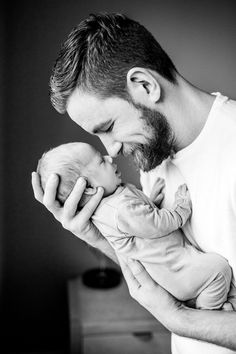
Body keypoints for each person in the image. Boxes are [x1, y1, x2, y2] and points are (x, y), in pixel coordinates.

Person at [31, 13, 236, 353]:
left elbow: (178, 310)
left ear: (145, 85)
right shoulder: (152, 158)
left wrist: (180, 321)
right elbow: (159, 260)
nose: (110, 150)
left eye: (107, 126)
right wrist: (96, 236)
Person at [37, 141, 233, 310]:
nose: (110, 157)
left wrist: (150, 200)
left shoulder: (114, 201)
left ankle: (211, 300)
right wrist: (181, 207)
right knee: (218, 269)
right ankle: (209, 310)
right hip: (176, 272)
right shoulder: (119, 210)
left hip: (174, 269)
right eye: (100, 161)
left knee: (213, 276)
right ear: (88, 188)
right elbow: (157, 224)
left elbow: (140, 220)